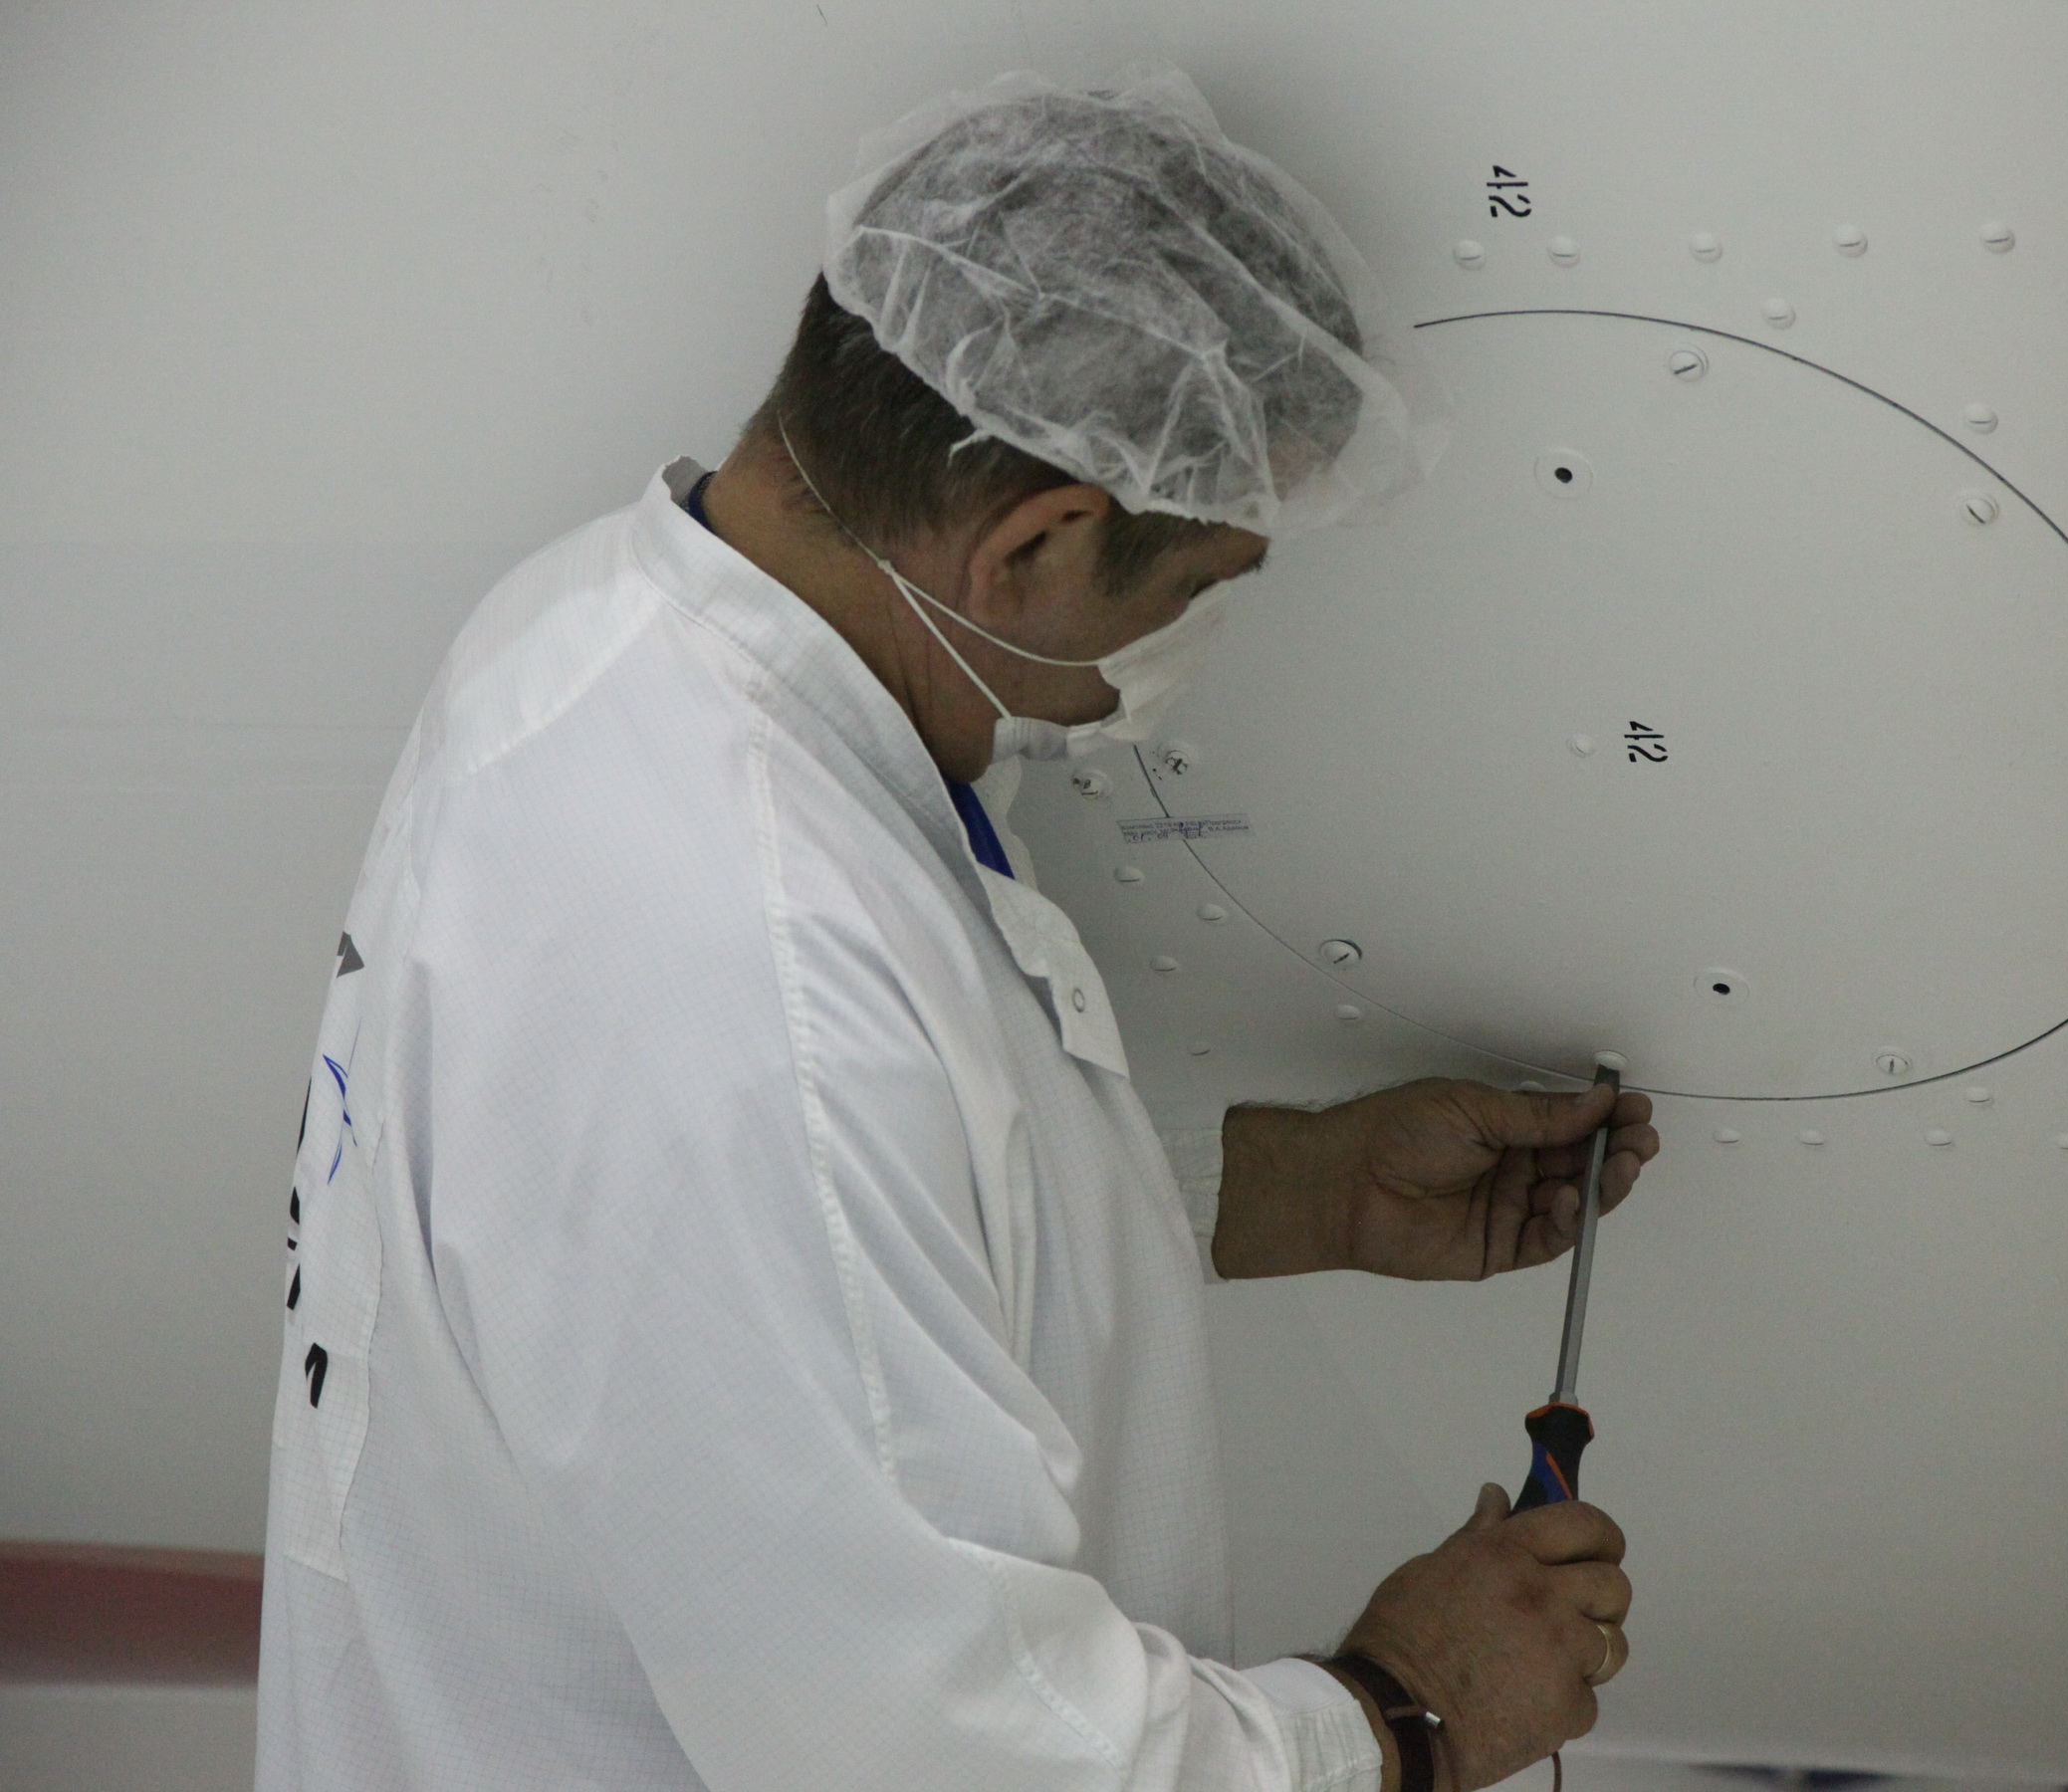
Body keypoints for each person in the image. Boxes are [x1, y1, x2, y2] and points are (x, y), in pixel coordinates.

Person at [258, 66, 1658, 1792]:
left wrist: (1292, 1189)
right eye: (1203, 584)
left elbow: (789, 1256)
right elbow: (947, 1751)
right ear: (1040, 542)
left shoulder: (586, 636)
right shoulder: (745, 979)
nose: (1194, 636)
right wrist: (1407, 1713)